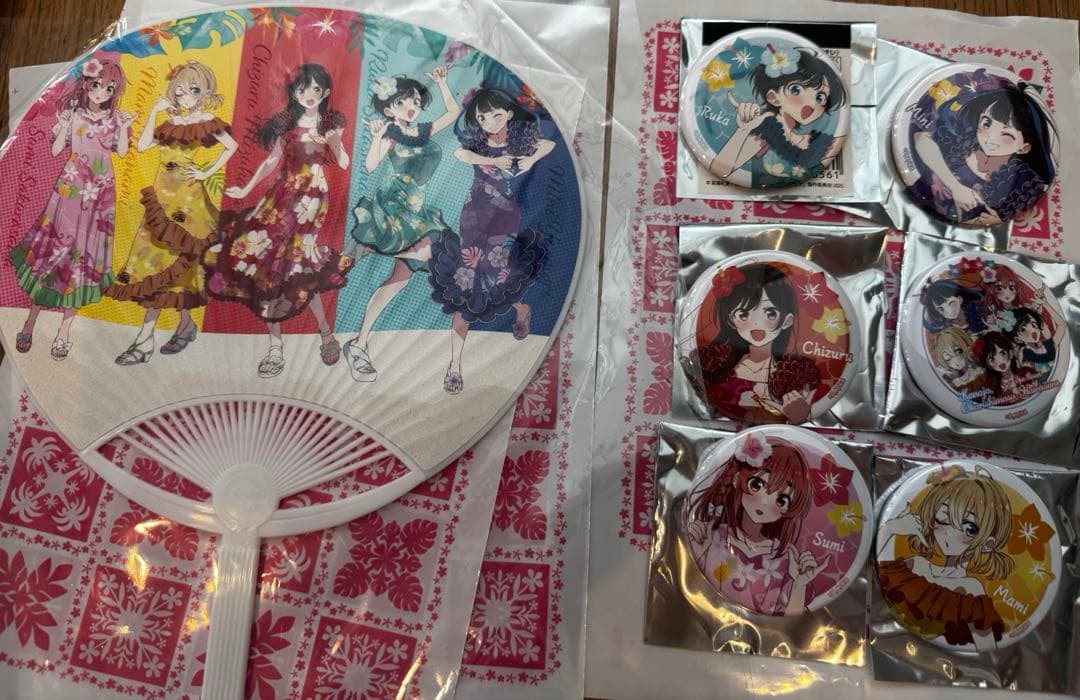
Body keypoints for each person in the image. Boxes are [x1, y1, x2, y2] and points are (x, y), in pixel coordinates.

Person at [204, 64, 351, 378]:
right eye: (302, 89)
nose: (309, 95)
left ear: (325, 92)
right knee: (269, 269)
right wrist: (246, 188)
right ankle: (276, 346)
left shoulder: (329, 125)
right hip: (280, 198)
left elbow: (343, 162)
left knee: (299, 267)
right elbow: (271, 161)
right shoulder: (286, 125)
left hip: (311, 202)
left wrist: (335, 141)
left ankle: (325, 333)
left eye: (315, 89)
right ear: (294, 92)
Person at [108, 60, 236, 364]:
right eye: (179, 91)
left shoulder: (206, 119)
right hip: (162, 197)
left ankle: (148, 339)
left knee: (176, 263)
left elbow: (231, 146)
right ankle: (178, 328)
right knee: (156, 262)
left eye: (192, 90)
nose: (184, 96)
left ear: (204, 92)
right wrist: (155, 110)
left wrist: (205, 172)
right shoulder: (169, 122)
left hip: (188, 200)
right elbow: (142, 146)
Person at [427, 87, 553, 394]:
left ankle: (520, 309)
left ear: (508, 113)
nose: (489, 122)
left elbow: (548, 144)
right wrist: (494, 161)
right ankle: (455, 364)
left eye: (496, 115)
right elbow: (461, 154)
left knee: (495, 277)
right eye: (482, 117)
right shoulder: (479, 143)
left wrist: (530, 160)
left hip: (504, 218)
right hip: (473, 215)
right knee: (465, 282)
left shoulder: (521, 139)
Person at [339, 66, 459, 386]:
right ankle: (342, 262)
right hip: (392, 208)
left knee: (401, 280)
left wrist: (442, 83)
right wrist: (378, 135)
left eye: (416, 102)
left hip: (417, 213)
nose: (411, 107)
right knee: (348, 266)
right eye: (403, 102)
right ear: (389, 108)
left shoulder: (423, 131)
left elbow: (453, 112)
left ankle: (359, 345)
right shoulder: (391, 132)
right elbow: (371, 165)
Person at [10, 57, 134, 360]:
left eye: (109, 88)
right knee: (53, 254)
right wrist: (64, 126)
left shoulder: (114, 119)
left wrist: (125, 127)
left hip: (100, 193)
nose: (101, 93)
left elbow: (121, 151)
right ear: (86, 84)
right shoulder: (74, 114)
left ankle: (64, 332)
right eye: (97, 85)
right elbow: (56, 150)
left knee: (84, 259)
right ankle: (29, 322)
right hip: (70, 189)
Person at [685, 437, 826, 615]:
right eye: (757, 485)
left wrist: (799, 585)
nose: (765, 502)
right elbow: (692, 595)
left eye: (782, 499)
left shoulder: (786, 558)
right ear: (737, 478)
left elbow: (790, 619)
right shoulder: (713, 537)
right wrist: (697, 555)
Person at [877, 468, 1013, 651]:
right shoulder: (916, 565)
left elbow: (986, 648)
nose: (950, 532)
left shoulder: (969, 589)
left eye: (969, 529)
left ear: (987, 544)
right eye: (943, 518)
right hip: (887, 643)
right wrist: (892, 528)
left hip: (929, 658)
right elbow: (875, 575)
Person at [912, 76, 1057, 225]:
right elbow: (921, 139)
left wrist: (998, 218)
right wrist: (956, 187)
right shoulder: (965, 140)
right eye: (987, 123)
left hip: (950, 227)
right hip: (914, 203)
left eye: (1006, 135)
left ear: (1023, 147)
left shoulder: (1022, 180)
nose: (990, 137)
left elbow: (1016, 213)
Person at [709, 47, 847, 184]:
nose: (812, 104)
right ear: (773, 98)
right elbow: (719, 169)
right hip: (758, 196)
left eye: (820, 97)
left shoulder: (818, 142)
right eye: (796, 89)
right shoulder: (765, 134)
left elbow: (842, 136)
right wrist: (743, 130)